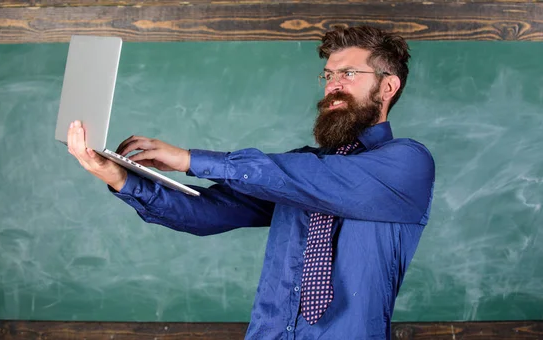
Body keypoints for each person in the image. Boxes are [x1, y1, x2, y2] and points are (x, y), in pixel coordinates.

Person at [67, 25, 435, 340]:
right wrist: (118, 176)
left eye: (349, 74)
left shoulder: (406, 165)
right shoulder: (300, 168)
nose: (332, 86)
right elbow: (206, 211)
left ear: (388, 87)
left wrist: (191, 159)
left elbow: (308, 179)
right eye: (328, 75)